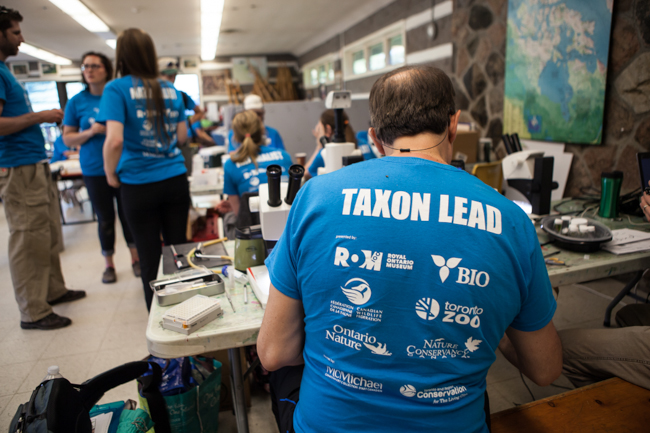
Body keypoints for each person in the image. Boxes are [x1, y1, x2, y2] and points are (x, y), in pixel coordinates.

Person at [257, 65, 562, 433]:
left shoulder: (315, 197)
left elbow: (274, 353)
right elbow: (544, 370)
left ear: (373, 137)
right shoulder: (511, 221)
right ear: (453, 125)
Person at [0, 6, 85, 330]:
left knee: (46, 232)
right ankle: (33, 311)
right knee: (28, 238)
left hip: (33, 165)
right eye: (15, 33)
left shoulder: (5, 72)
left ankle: (53, 290)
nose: (21, 38)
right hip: (17, 169)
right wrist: (42, 116)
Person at [99, 28, 190, 310]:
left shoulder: (116, 89)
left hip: (138, 183)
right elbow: (183, 136)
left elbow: (114, 140)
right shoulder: (170, 88)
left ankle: (161, 327)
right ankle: (189, 313)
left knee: (149, 257)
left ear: (121, 55)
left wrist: (110, 173)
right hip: (174, 177)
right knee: (179, 251)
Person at [63, 51, 140, 284]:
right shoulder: (76, 102)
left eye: (95, 66)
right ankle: (109, 265)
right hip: (94, 169)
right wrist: (91, 132)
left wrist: (114, 131)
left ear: (106, 69)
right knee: (105, 219)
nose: (89, 70)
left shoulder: (118, 93)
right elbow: (68, 139)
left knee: (129, 216)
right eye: (86, 66)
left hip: (123, 166)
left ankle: (136, 260)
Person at [223, 110, 293, 216]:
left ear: (235, 136)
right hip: (288, 225)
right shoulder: (284, 156)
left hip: (253, 229)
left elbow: (239, 214)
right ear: (262, 130)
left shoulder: (230, 165)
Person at [304, 109, 373, 180]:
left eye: (319, 128)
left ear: (328, 129)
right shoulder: (363, 143)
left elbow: (304, 175)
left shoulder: (326, 152)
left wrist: (318, 147)